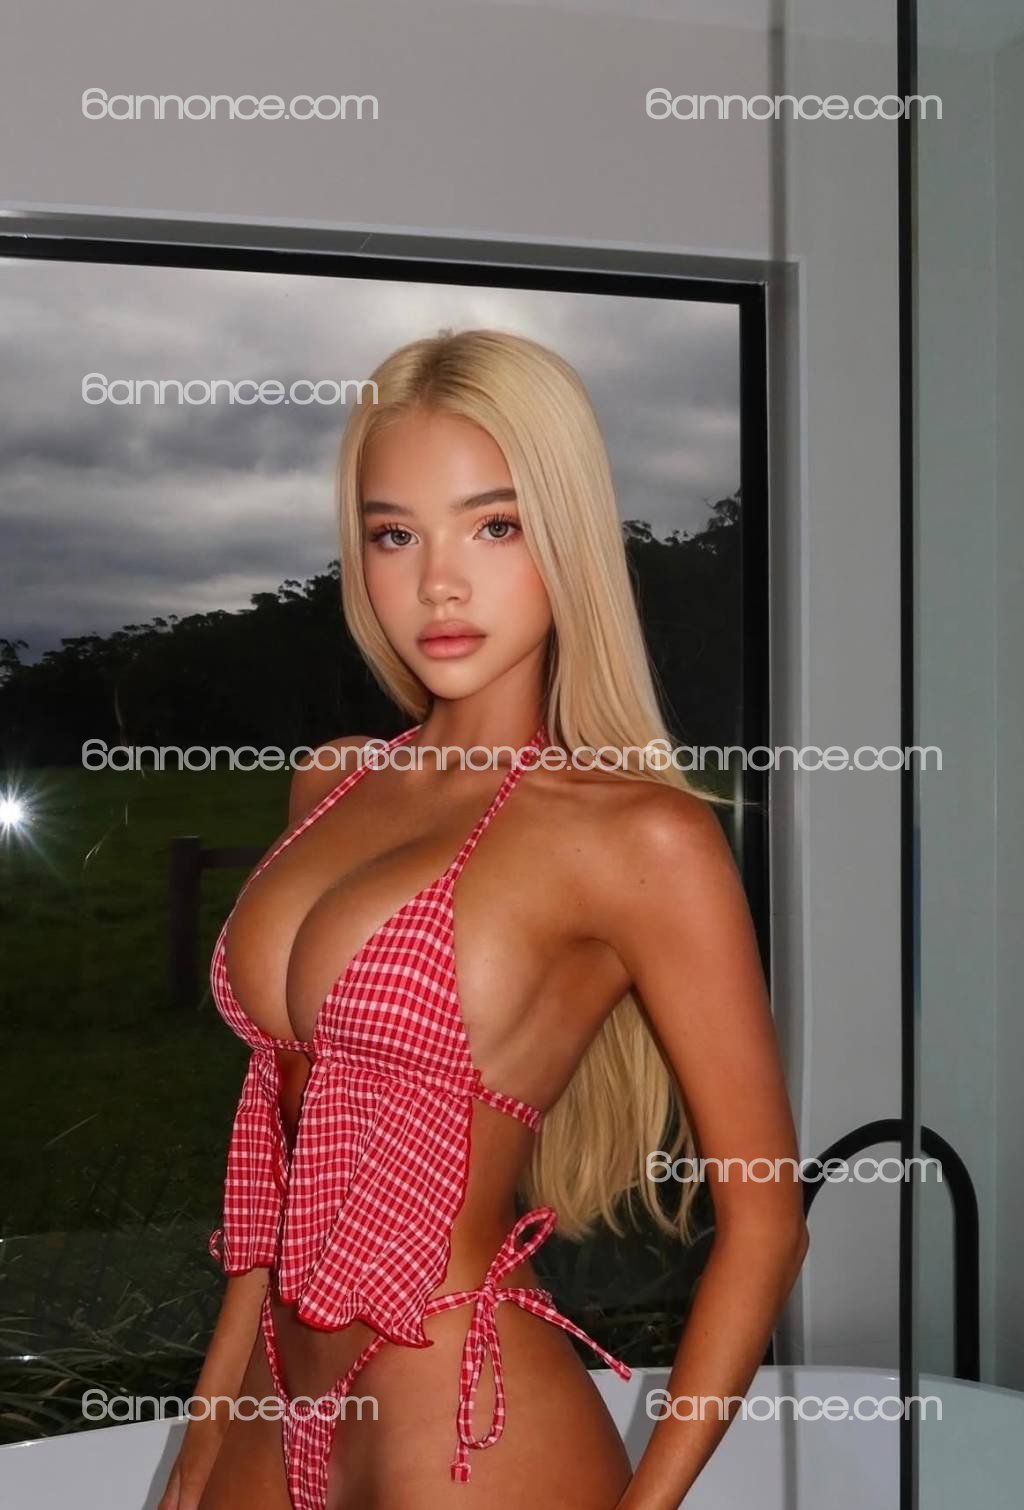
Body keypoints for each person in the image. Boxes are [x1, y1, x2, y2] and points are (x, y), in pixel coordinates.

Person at [159, 329, 808, 1510]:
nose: (438, 584)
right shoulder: (334, 782)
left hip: (469, 1424)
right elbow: (284, 1179)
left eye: (493, 526)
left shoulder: (637, 837)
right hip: (271, 1398)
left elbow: (765, 1221)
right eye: (393, 534)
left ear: (567, 535)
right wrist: (201, 1450)